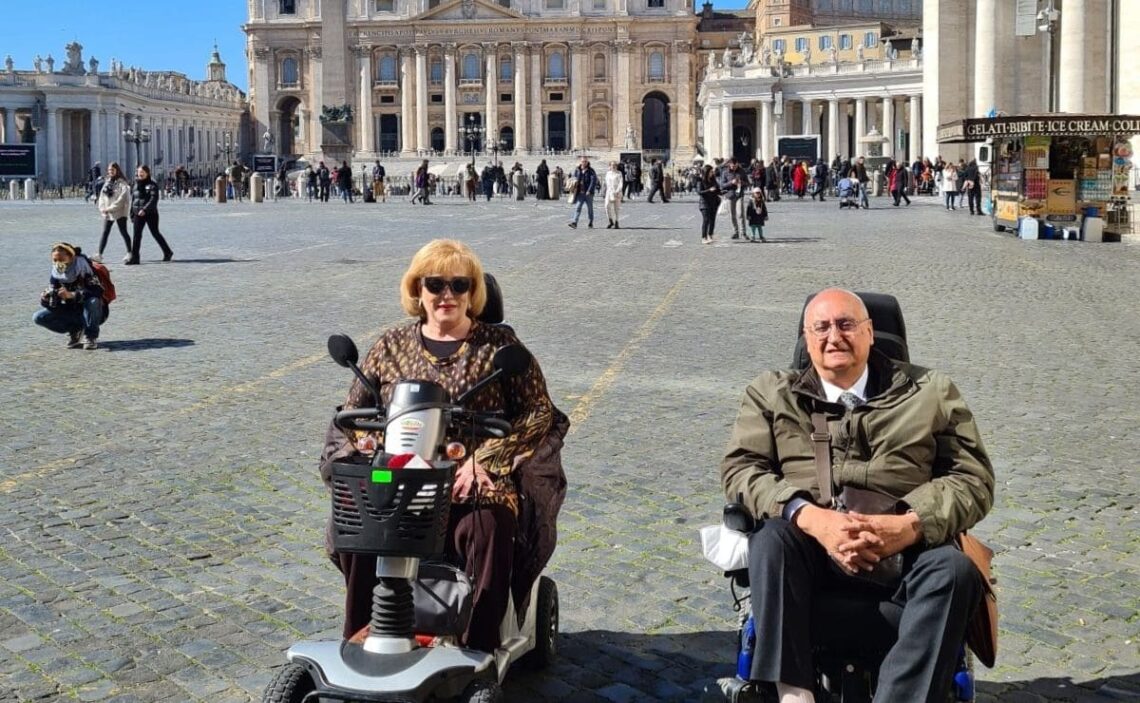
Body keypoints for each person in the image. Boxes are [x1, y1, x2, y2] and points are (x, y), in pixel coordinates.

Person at [720, 288, 994, 703]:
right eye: (821, 327)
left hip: (906, 554)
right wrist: (809, 516)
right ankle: (793, 695)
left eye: (846, 324)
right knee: (771, 539)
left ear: (870, 332)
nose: (834, 337)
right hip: (808, 551)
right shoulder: (771, 392)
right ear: (806, 339)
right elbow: (742, 468)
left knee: (955, 570)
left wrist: (910, 524)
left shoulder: (931, 392)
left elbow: (973, 478)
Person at [320, 239, 565, 654]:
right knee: (360, 522)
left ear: (473, 292)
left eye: (459, 284)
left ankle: (478, 649)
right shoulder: (390, 346)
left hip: (471, 482)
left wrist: (486, 460)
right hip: (401, 481)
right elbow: (352, 413)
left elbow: (541, 414)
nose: (447, 294)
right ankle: (361, 635)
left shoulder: (500, 348)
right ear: (418, 290)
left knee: (489, 526)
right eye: (435, 284)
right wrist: (366, 445)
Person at [34, 242, 106, 350]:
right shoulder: (56, 272)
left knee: (93, 301)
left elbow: (97, 291)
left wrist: (72, 295)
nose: (58, 263)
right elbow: (54, 304)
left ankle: (91, 336)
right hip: (72, 310)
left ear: (71, 257)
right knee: (38, 317)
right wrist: (46, 299)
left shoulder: (84, 268)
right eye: (55, 260)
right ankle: (75, 330)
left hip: (93, 312)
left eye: (62, 259)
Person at [126, 165, 173, 265]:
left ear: (147, 173)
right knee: (136, 235)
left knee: (155, 233)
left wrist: (144, 209)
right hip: (138, 213)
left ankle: (167, 252)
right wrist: (132, 213)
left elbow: (153, 199)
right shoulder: (135, 185)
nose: (140, 174)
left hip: (151, 213)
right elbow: (133, 200)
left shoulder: (152, 184)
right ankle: (135, 258)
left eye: (142, 172)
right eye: (139, 172)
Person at [93, 162, 132, 264]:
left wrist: (109, 209)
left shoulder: (123, 183)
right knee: (105, 232)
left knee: (123, 232)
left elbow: (122, 199)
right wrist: (102, 208)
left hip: (120, 211)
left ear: (117, 170)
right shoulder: (107, 182)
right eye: (109, 170)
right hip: (108, 212)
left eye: (113, 170)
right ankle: (99, 254)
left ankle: (130, 252)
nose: (111, 172)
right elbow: (102, 197)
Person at [567, 156, 598, 230]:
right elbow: (574, 178)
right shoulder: (577, 170)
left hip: (588, 193)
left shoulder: (591, 171)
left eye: (585, 161)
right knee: (578, 207)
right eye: (582, 161)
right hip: (580, 192)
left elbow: (593, 181)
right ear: (580, 162)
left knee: (590, 209)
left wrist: (589, 190)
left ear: (587, 162)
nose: (584, 163)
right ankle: (574, 222)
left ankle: (590, 222)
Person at [698, 164, 721, 245]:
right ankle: (703, 237)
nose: (712, 173)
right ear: (706, 172)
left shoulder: (713, 180)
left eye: (712, 172)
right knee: (706, 219)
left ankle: (710, 235)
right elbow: (699, 192)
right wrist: (709, 190)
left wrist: (724, 191)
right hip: (704, 203)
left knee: (712, 220)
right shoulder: (701, 181)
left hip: (714, 203)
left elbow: (718, 190)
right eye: (711, 172)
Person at [604, 160, 624, 229]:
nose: (613, 166)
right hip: (609, 192)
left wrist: (617, 191)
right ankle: (610, 220)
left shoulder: (619, 173)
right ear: (610, 166)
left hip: (617, 192)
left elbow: (621, 183)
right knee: (606, 206)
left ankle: (617, 222)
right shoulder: (608, 173)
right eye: (612, 165)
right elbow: (606, 183)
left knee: (616, 208)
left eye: (615, 165)